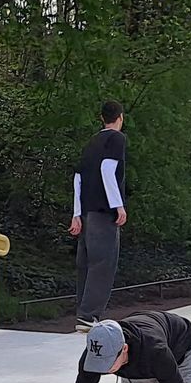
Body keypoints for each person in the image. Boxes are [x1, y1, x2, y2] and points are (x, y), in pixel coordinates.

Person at [70, 101, 129, 329]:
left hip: (86, 212)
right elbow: (107, 169)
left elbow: (78, 178)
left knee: (85, 263)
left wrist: (77, 213)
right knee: (103, 262)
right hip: (103, 213)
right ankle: (89, 314)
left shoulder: (91, 142)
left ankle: (82, 313)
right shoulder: (117, 139)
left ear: (102, 118)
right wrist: (118, 205)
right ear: (120, 117)